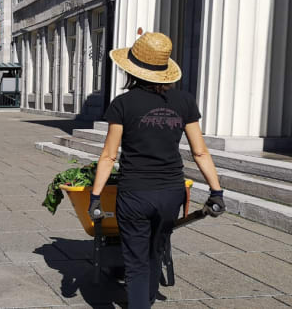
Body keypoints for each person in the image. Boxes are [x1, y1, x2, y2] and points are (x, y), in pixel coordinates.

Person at [88, 32, 224, 309]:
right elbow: (200, 151)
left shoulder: (123, 104)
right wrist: (216, 191)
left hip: (135, 193)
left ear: (132, 69)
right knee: (155, 251)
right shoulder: (184, 101)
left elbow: (109, 155)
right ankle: (146, 301)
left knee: (136, 261)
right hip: (171, 192)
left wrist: (95, 196)